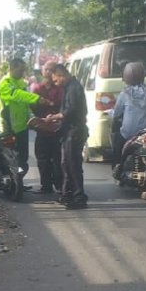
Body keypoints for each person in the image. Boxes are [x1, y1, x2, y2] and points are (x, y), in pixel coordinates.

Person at [47, 64, 88, 209]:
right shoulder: (68, 88)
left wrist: (57, 116)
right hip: (68, 130)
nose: (55, 83)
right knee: (66, 163)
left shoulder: (74, 88)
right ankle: (67, 194)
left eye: (56, 80)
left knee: (73, 164)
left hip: (75, 131)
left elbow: (71, 110)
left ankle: (79, 196)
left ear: (61, 75)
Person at [111, 62, 146, 176]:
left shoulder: (125, 93)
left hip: (129, 133)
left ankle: (118, 167)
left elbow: (117, 112)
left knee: (118, 143)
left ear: (126, 76)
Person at [0, 58, 42, 181]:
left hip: (22, 127)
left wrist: (32, 117)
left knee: (23, 159)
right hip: (8, 127)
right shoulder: (5, 83)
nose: (23, 72)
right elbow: (17, 95)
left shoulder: (22, 83)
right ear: (11, 69)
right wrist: (36, 98)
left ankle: (18, 180)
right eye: (20, 70)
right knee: (10, 158)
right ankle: (9, 179)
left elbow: (25, 104)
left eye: (24, 70)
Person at [30, 61, 64, 193]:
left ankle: (60, 185)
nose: (48, 73)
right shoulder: (37, 89)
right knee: (42, 160)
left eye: (51, 70)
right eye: (46, 70)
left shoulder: (61, 89)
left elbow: (64, 108)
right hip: (42, 129)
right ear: (43, 71)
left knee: (58, 159)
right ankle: (46, 185)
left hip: (57, 130)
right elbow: (32, 107)